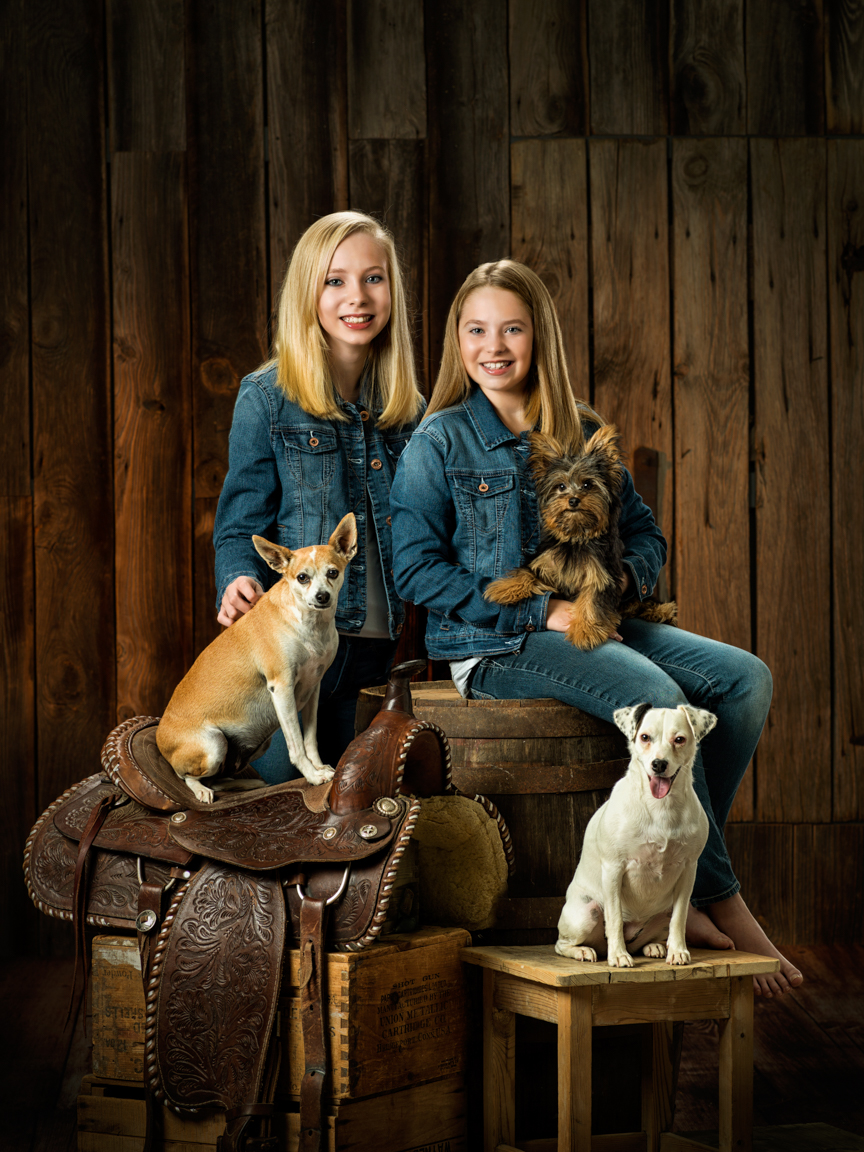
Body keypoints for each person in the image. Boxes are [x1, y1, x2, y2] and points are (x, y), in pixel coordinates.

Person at [390, 259, 803, 997]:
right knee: (657, 696)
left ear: (539, 336)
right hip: (496, 642)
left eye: (512, 329)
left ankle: (678, 877)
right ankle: (719, 900)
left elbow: (645, 536)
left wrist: (613, 589)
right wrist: (541, 611)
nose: (494, 347)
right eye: (476, 330)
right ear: (457, 342)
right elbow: (415, 570)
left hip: (596, 616)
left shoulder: (580, 427)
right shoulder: (440, 442)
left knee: (746, 679)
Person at [214, 210, 424, 780]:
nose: (358, 296)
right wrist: (236, 577)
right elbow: (240, 525)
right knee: (284, 803)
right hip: (296, 646)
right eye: (335, 280)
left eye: (373, 278)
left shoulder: (412, 410)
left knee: (362, 808)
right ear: (308, 292)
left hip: (385, 657)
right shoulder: (266, 398)